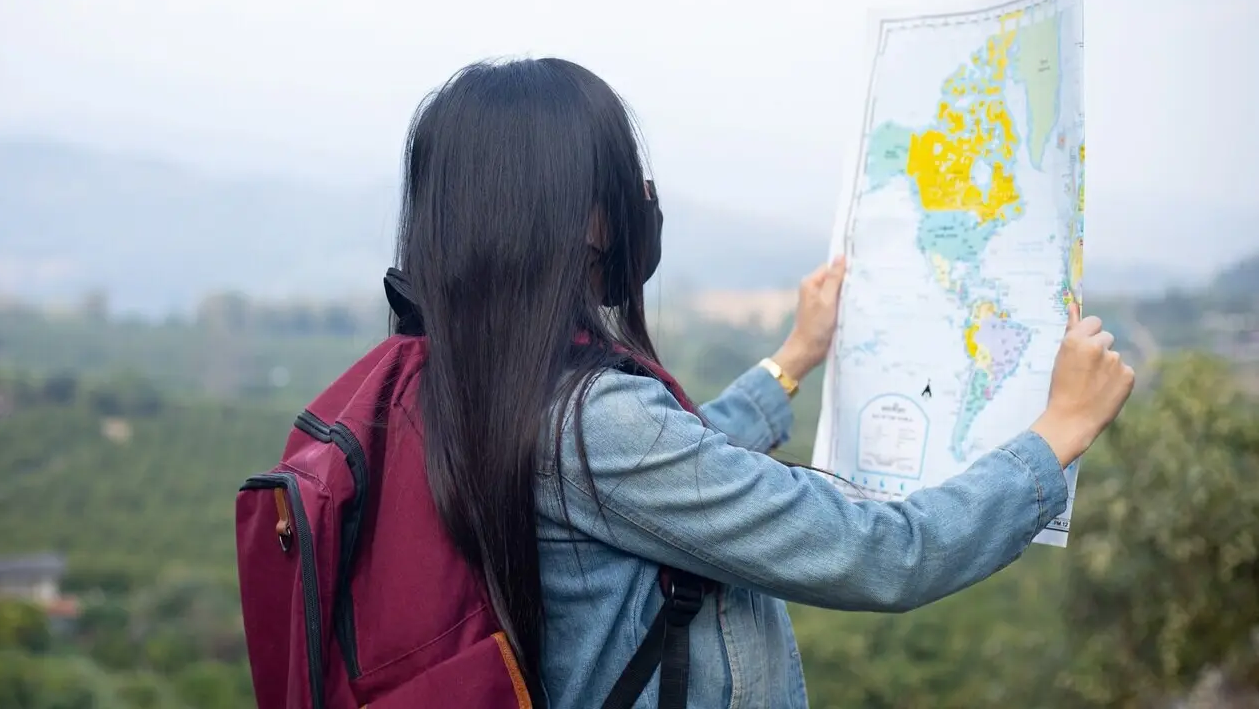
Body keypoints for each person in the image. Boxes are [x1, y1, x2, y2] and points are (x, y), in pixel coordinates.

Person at [395, 57, 1134, 708]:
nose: (640, 203)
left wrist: (791, 361)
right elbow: (881, 554)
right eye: (621, 184)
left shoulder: (456, 382)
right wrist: (1056, 433)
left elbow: (666, 475)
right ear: (584, 218)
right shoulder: (595, 422)